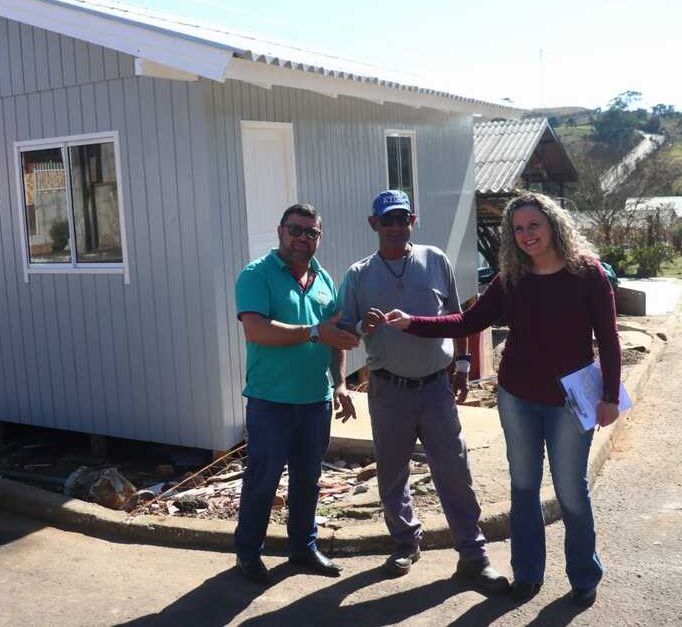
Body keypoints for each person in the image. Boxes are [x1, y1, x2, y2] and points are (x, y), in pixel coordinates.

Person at [384, 191, 621, 609]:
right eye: (518, 229)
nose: (527, 235)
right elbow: (469, 320)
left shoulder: (589, 274)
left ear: (553, 225)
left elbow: (608, 337)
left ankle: (584, 574)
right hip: (518, 398)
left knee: (571, 492)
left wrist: (609, 396)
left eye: (534, 225)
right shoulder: (512, 278)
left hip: (570, 401)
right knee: (524, 488)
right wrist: (412, 323)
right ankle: (528, 574)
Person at [339, 189, 509, 594]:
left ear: (412, 222)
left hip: (436, 387)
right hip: (388, 389)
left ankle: (473, 555)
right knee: (392, 472)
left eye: (402, 219)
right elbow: (343, 333)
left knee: (454, 471)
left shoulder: (435, 260)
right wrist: (365, 329)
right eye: (388, 220)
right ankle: (404, 542)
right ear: (373, 224)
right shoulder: (359, 274)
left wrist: (464, 367)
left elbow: (461, 316)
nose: (396, 227)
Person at [233, 203, 360, 586]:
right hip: (270, 402)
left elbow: (335, 337)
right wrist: (313, 331)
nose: (302, 238)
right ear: (280, 231)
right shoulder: (257, 275)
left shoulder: (324, 280)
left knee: (308, 480)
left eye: (311, 232)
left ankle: (303, 548)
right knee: (263, 480)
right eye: (296, 229)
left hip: (315, 402)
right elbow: (256, 330)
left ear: (319, 238)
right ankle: (249, 554)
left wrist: (339, 383)